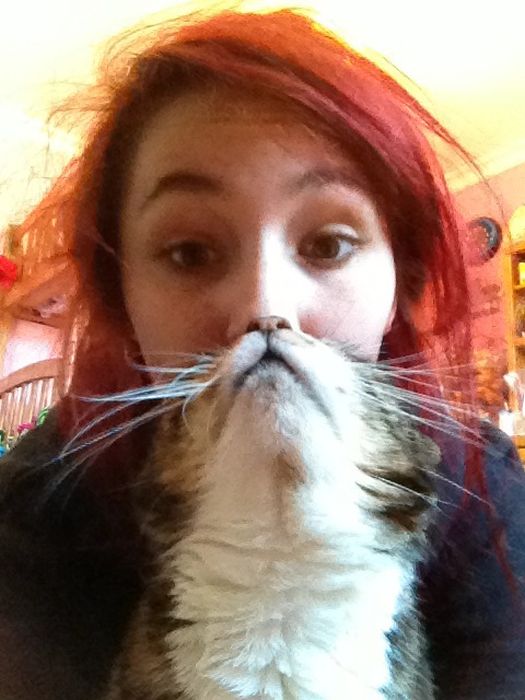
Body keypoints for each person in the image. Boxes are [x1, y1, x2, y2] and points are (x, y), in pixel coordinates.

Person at [0, 6, 523, 699]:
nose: (265, 310)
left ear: (402, 282)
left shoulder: (482, 487)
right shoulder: (37, 502)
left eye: (329, 244)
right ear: (122, 294)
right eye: (190, 252)